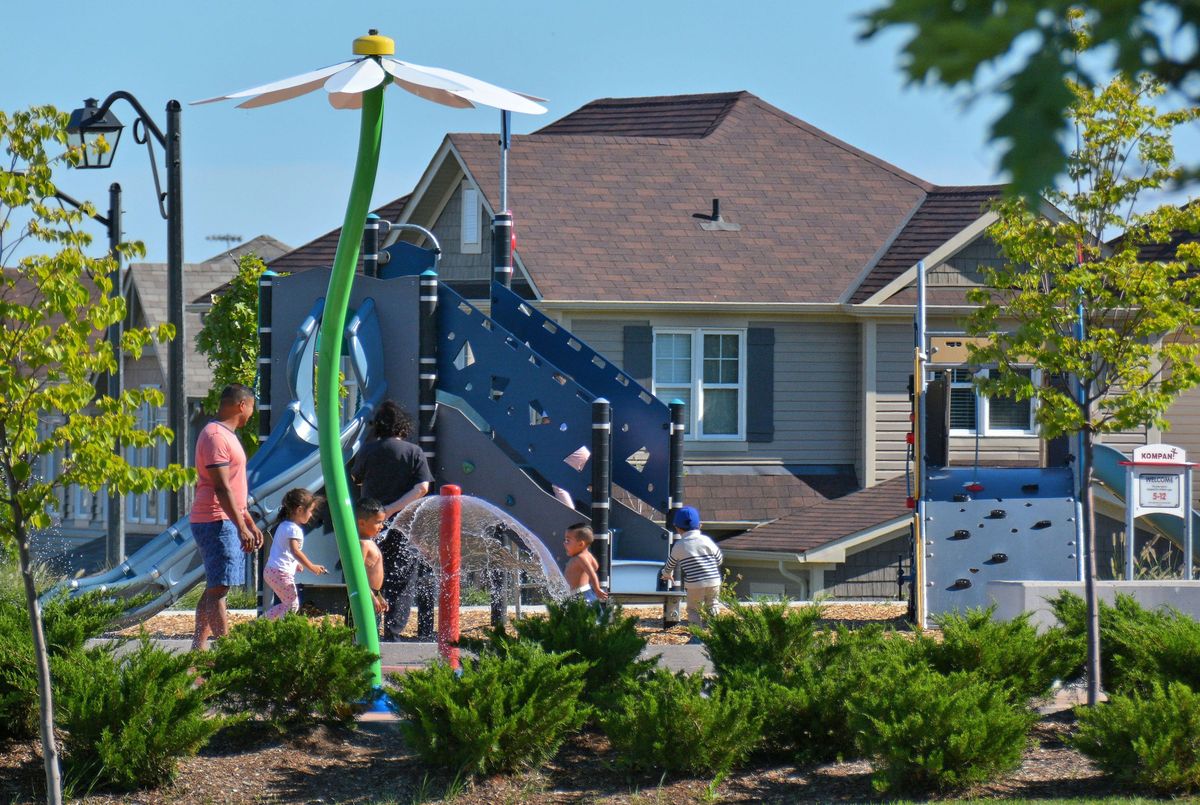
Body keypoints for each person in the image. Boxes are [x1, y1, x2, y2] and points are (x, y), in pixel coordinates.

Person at [351, 400, 434, 641]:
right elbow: (422, 487)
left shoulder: (368, 450)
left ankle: (366, 630)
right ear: (403, 426)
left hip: (368, 525)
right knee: (402, 578)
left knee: (368, 575)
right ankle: (393, 633)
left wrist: (379, 509)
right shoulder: (414, 452)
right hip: (404, 524)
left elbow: (356, 478)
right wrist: (391, 509)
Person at [190, 383, 263, 651]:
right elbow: (221, 488)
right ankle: (226, 651)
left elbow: (234, 485)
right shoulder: (215, 436)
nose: (251, 414)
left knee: (216, 587)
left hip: (225, 518)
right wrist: (240, 526)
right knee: (219, 589)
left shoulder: (227, 436)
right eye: (251, 407)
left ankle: (198, 650)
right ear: (241, 405)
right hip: (215, 520)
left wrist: (248, 521)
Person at [263, 488, 327, 620]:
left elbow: (284, 549)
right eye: (310, 511)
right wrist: (312, 567)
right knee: (292, 605)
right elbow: (295, 551)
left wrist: (295, 563)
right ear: (299, 510)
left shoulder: (284, 525)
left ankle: (263, 623)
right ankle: (273, 626)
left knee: (288, 604)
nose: (311, 515)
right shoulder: (294, 529)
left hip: (272, 570)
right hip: (280, 572)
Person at [660, 506, 723, 630]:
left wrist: (666, 574)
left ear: (677, 528)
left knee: (693, 609)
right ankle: (717, 631)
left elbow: (670, 565)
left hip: (695, 584)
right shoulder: (706, 540)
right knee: (713, 605)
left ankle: (697, 635)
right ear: (700, 525)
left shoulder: (679, 546)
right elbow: (719, 559)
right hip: (714, 580)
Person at [354, 497, 389, 619]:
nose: (382, 526)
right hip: (364, 595)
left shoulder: (370, 542)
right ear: (362, 523)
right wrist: (370, 596)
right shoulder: (363, 544)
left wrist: (378, 595)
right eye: (378, 522)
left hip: (372, 593)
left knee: (374, 629)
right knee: (359, 628)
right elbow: (358, 574)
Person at [562, 523, 608, 604]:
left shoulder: (580, 558)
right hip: (585, 592)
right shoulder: (588, 555)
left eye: (568, 540)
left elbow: (592, 573)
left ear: (581, 544)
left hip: (580, 595)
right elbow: (595, 566)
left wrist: (597, 589)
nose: (564, 543)